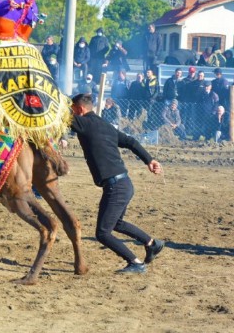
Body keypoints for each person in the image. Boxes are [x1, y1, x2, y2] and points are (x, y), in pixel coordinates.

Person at [69, 93, 164, 274]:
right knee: (117, 224)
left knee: (103, 233)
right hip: (124, 184)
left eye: (73, 110)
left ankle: (135, 263)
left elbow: (60, 116)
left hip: (116, 187)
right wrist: (149, 160)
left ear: (80, 109)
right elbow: (131, 141)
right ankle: (152, 243)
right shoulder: (105, 125)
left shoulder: (84, 123)